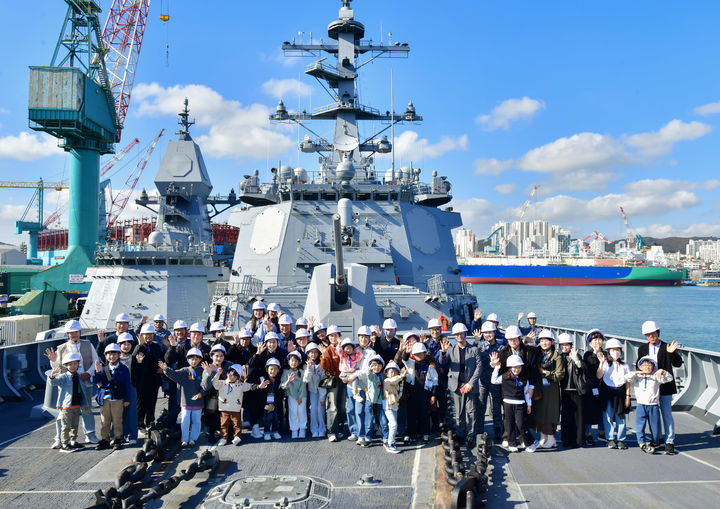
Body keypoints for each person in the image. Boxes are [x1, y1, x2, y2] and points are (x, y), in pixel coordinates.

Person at [45, 320, 99, 447]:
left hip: (84, 382)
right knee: (63, 413)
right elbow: (56, 368)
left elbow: (95, 360)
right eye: (71, 333)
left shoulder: (88, 344)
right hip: (68, 385)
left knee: (86, 409)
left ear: (79, 332)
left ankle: (90, 435)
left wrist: (89, 373)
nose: (74, 335)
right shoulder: (61, 348)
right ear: (67, 334)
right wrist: (53, 361)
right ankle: (59, 438)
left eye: (76, 332)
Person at [637, 320, 682, 455]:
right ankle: (656, 439)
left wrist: (672, 353)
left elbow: (678, 364)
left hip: (665, 387)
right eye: (648, 334)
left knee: (666, 414)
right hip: (649, 389)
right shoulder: (642, 349)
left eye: (653, 333)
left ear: (658, 332)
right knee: (653, 416)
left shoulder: (666, 347)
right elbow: (638, 366)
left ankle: (669, 442)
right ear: (645, 336)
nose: (651, 336)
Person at [439, 323, 482, 447]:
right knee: (459, 413)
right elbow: (443, 362)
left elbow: (479, 367)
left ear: (465, 334)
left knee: (471, 412)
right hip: (456, 386)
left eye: (461, 334)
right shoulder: (451, 350)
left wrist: (471, 383)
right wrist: (443, 351)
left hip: (470, 385)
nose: (459, 336)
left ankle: (470, 436)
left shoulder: (473, 350)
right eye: (456, 334)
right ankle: (460, 434)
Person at [626, 356, 674, 454]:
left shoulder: (656, 376)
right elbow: (626, 377)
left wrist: (663, 371)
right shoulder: (637, 377)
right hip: (641, 406)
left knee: (655, 427)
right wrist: (636, 372)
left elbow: (670, 378)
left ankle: (655, 442)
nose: (647, 367)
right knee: (640, 426)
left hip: (653, 406)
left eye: (649, 365)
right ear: (640, 366)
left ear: (653, 366)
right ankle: (641, 443)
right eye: (644, 365)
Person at [527, 329, 565, 451]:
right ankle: (543, 437)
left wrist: (545, 372)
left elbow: (560, 374)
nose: (544, 343)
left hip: (551, 389)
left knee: (549, 412)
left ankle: (551, 438)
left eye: (547, 340)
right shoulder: (537, 353)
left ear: (552, 342)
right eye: (542, 340)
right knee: (539, 412)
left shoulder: (556, 356)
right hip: (539, 387)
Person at [159, 347, 206, 447]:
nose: (194, 361)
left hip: (198, 402)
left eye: (196, 359)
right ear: (187, 360)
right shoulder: (184, 371)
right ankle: (184, 439)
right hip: (185, 402)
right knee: (185, 420)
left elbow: (206, 385)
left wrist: (202, 392)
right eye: (191, 358)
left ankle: (193, 438)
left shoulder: (203, 371)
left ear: (200, 360)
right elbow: (174, 374)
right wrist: (165, 369)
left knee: (196, 421)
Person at [396, 337, 437, 444]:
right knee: (411, 416)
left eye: (421, 353)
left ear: (425, 353)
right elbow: (404, 359)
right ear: (413, 354)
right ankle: (409, 434)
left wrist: (433, 395)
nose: (419, 355)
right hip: (412, 395)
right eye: (417, 354)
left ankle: (425, 435)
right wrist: (406, 351)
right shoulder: (410, 363)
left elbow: (434, 382)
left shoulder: (430, 367)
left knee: (424, 415)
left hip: (425, 395)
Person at [490, 353, 533, 452]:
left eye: (518, 367)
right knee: (509, 424)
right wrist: (496, 369)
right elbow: (493, 381)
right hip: (508, 403)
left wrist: (529, 405)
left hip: (520, 404)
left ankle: (527, 443)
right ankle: (512, 443)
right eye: (514, 367)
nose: (516, 369)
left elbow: (527, 393)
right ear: (510, 368)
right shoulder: (504, 377)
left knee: (521, 424)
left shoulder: (524, 379)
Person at [92, 343, 131, 451]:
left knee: (117, 420)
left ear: (119, 355)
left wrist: (127, 399)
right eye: (109, 354)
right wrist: (98, 371)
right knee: (105, 421)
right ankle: (105, 439)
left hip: (118, 399)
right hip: (105, 399)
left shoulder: (124, 369)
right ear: (105, 356)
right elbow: (94, 380)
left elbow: (127, 384)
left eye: (114, 354)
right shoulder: (104, 369)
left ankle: (118, 439)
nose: (112, 356)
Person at [48, 352, 90, 452]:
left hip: (76, 405)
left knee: (75, 425)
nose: (72, 366)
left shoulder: (78, 376)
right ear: (66, 366)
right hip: (66, 406)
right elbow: (54, 383)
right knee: (66, 425)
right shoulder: (63, 377)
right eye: (70, 364)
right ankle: (64, 443)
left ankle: (73, 441)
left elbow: (81, 390)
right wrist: (52, 376)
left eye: (75, 364)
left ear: (78, 365)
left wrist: (84, 404)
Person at [597, 338, 631, 450]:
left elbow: (627, 382)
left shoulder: (625, 365)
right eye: (613, 350)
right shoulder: (606, 363)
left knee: (620, 416)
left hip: (620, 393)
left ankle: (621, 439)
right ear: (608, 352)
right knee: (608, 416)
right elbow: (599, 376)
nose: (615, 352)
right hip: (607, 392)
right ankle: (610, 438)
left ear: (621, 351)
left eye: (618, 350)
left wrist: (628, 396)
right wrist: (601, 363)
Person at [474, 321, 504, 441]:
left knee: (496, 407)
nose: (488, 335)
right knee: (481, 406)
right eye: (485, 333)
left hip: (496, 382)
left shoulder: (501, 347)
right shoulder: (479, 346)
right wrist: (476, 341)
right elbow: (472, 354)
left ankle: (498, 429)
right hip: (483, 381)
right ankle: (480, 429)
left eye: (490, 332)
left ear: (495, 333)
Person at [133, 323, 164, 434]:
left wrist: (161, 368)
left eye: (150, 334)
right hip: (142, 380)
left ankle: (150, 421)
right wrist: (139, 346)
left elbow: (161, 358)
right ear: (142, 335)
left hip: (154, 379)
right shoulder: (139, 347)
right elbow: (134, 361)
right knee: (141, 403)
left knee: (152, 402)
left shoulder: (156, 346)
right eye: (146, 335)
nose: (149, 337)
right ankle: (140, 424)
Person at [558, 333, 586, 448]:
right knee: (566, 416)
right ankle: (566, 439)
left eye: (567, 345)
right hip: (564, 389)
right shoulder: (559, 357)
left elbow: (582, 368)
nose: (564, 347)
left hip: (575, 389)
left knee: (577, 416)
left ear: (571, 345)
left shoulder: (576, 355)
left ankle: (577, 440)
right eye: (562, 345)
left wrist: (575, 359)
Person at [320, 328, 345, 442]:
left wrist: (342, 349)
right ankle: (331, 431)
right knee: (332, 406)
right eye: (330, 336)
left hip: (343, 379)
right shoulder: (328, 350)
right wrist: (324, 356)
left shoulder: (344, 347)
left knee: (342, 405)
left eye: (335, 335)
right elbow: (325, 367)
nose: (333, 338)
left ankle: (339, 429)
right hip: (333, 380)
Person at [338, 337, 365, 442]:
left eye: (350, 348)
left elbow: (360, 355)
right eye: (346, 348)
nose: (348, 350)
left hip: (357, 383)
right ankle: (353, 432)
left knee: (358, 411)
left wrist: (356, 349)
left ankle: (360, 433)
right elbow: (339, 351)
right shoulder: (343, 355)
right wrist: (341, 343)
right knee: (350, 409)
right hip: (346, 379)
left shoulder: (357, 355)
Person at [582, 328, 606, 445]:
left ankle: (602, 432)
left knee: (603, 410)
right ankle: (588, 433)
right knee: (590, 410)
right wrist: (598, 356)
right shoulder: (588, 354)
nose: (597, 342)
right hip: (592, 388)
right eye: (594, 340)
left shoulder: (607, 354)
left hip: (604, 387)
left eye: (599, 339)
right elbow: (591, 371)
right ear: (590, 342)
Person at [117, 332, 139, 445]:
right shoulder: (114, 358)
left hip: (131, 387)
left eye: (129, 344)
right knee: (118, 413)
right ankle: (120, 435)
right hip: (118, 388)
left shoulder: (134, 358)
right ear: (119, 345)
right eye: (123, 344)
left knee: (131, 412)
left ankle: (132, 435)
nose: (126, 346)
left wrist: (139, 363)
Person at [303, 342, 327, 438]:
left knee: (320, 410)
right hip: (312, 391)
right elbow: (306, 380)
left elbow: (323, 381)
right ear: (308, 354)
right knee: (313, 410)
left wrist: (322, 398)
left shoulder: (321, 364)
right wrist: (309, 369)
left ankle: (322, 428)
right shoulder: (306, 365)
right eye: (311, 352)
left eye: (315, 352)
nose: (313, 354)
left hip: (321, 391)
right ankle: (314, 429)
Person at [282, 351, 308, 439]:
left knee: (301, 412)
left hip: (302, 396)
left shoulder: (302, 372)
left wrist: (300, 397)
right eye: (292, 361)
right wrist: (288, 381)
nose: (293, 363)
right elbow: (282, 386)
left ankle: (302, 429)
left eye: (295, 361)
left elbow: (303, 385)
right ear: (288, 362)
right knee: (293, 412)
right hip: (291, 396)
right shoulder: (286, 372)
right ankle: (294, 430)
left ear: (299, 362)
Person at [259, 358, 284, 440]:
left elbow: (280, 395)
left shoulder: (279, 381)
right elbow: (261, 395)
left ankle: (275, 431)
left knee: (275, 418)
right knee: (267, 418)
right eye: (271, 369)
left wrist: (274, 405)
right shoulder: (264, 381)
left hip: (274, 404)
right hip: (266, 404)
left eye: (275, 369)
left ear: (278, 370)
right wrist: (266, 404)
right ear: (267, 369)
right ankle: (266, 432)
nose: (273, 371)